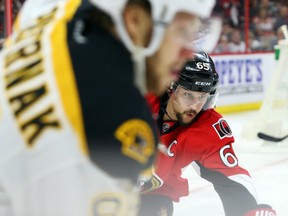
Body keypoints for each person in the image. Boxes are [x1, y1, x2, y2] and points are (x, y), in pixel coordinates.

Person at [0, 0, 217, 215]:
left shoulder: (55, 8)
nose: (188, 53)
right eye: (181, 32)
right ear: (134, 20)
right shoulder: (109, 134)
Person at [140, 51, 276, 216]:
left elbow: (231, 177)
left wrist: (247, 209)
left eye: (202, 96)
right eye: (188, 95)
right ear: (170, 87)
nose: (195, 106)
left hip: (153, 194)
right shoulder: (140, 97)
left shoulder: (205, 129)